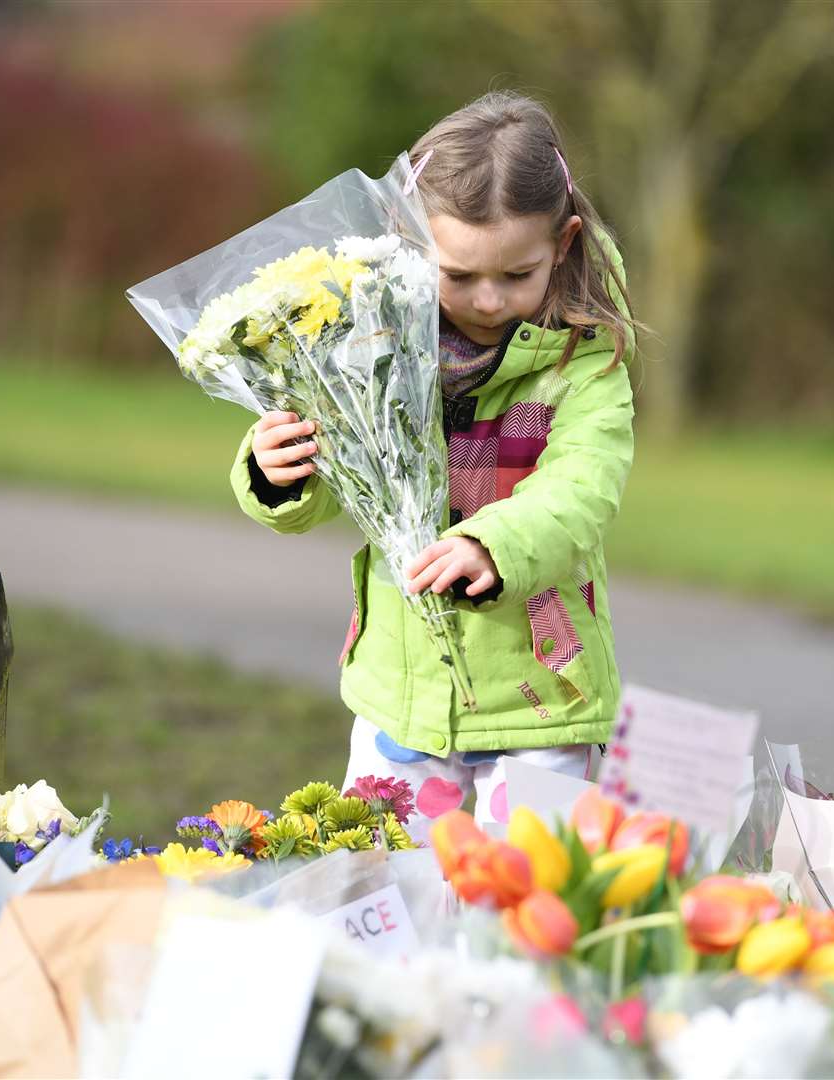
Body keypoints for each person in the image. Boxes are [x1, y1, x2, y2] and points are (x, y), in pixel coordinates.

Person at [230, 91, 638, 836]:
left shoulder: (584, 363)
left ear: (566, 242)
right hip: (404, 694)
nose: (488, 300)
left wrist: (493, 543)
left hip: (545, 694)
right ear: (410, 241)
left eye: (517, 275)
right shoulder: (363, 344)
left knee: (534, 894)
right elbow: (335, 487)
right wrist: (278, 468)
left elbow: (585, 489)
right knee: (392, 886)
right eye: (460, 275)